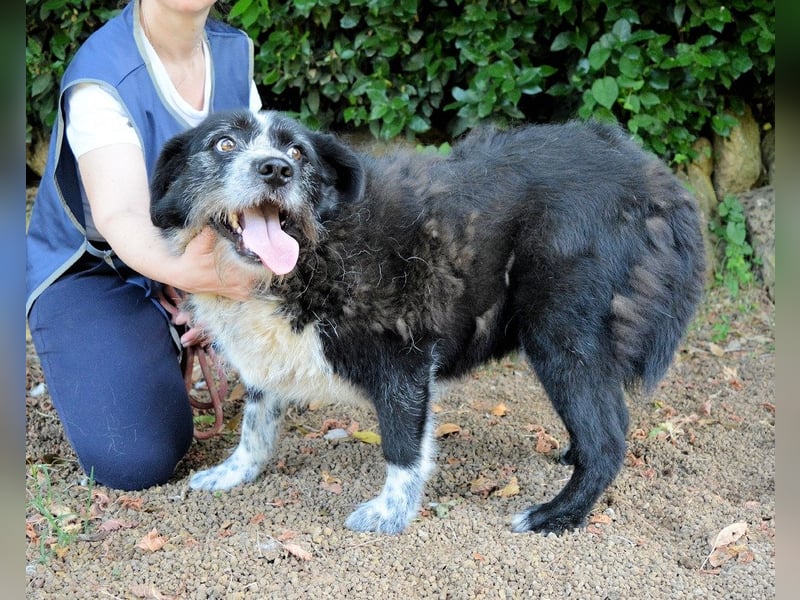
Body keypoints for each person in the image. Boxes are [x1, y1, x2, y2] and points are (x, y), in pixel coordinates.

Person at [26, 0, 263, 490]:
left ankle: (173, 327)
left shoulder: (236, 53)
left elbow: (250, 193)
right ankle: (151, 333)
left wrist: (214, 290)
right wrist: (199, 282)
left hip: (188, 258)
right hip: (93, 271)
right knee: (133, 456)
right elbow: (122, 216)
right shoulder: (101, 73)